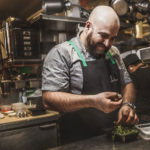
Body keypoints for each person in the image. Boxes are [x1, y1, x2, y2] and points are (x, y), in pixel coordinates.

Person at [42, 6, 139, 144]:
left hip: (114, 137)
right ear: (88, 27)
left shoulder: (114, 53)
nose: (107, 44)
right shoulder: (62, 53)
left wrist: (128, 104)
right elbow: (49, 99)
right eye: (104, 36)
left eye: (112, 39)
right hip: (78, 141)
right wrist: (93, 101)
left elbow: (126, 83)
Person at [123, 54, 150, 123]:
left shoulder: (134, 76)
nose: (129, 71)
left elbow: (132, 95)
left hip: (144, 117)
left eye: (128, 69)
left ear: (130, 66)